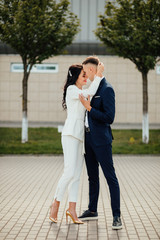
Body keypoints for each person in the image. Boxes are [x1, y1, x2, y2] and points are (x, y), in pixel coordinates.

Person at [49, 63, 104, 224]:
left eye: (86, 75)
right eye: (83, 75)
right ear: (75, 77)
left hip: (81, 136)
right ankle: (55, 204)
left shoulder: (80, 91)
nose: (86, 77)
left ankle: (71, 210)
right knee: (69, 171)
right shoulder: (73, 90)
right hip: (70, 134)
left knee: (77, 175)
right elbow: (90, 92)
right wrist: (99, 74)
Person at [78, 56, 122, 230]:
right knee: (92, 177)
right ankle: (92, 210)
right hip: (88, 140)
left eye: (84, 71)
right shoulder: (91, 87)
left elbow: (109, 118)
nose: (84, 74)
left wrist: (90, 108)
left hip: (102, 141)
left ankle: (117, 216)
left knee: (110, 178)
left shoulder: (107, 89)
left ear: (91, 70)